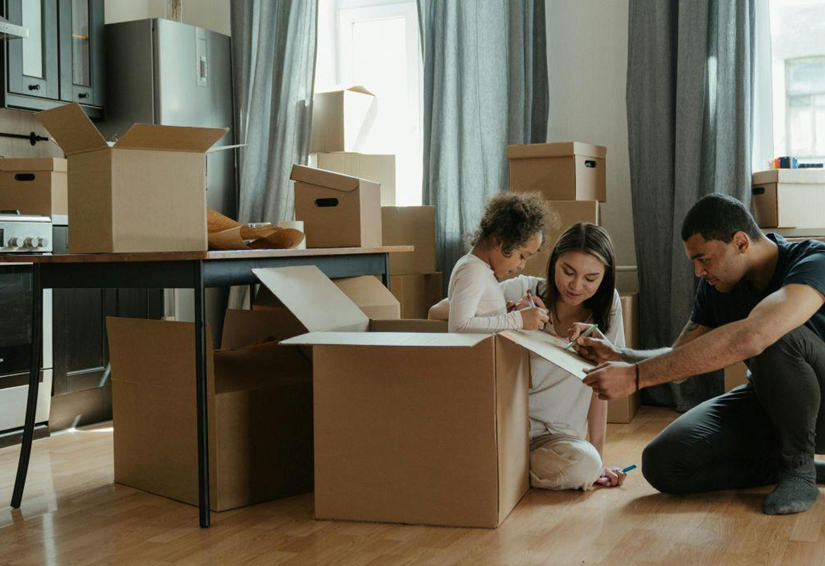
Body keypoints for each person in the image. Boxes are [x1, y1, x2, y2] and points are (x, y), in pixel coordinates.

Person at [573, 194, 825, 515]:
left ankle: (798, 470)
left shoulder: (813, 260)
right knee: (664, 464)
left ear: (740, 243)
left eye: (703, 259)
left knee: (777, 334)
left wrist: (635, 378)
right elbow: (680, 360)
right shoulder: (716, 286)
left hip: (823, 405)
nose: (698, 271)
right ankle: (786, 465)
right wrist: (621, 355)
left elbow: (757, 334)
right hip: (769, 400)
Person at [433, 220, 628, 490]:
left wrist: (600, 458)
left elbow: (601, 386)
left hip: (557, 439)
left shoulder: (609, 309)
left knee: (586, 466)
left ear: (604, 278)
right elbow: (438, 312)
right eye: (567, 271)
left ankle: (500, 469)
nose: (576, 285)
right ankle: (502, 467)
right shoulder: (523, 289)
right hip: (507, 427)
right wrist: (509, 315)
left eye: (591, 279)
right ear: (553, 263)